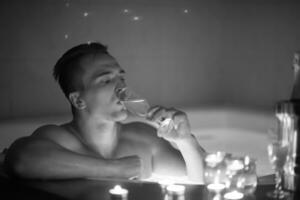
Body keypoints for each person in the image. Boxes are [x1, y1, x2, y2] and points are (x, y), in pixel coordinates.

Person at [4, 42, 206, 182]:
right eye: (106, 80)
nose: (121, 88)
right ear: (78, 100)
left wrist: (185, 140)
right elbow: (20, 160)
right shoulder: (60, 139)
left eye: (121, 78)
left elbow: (205, 179)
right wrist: (114, 169)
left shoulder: (142, 138)